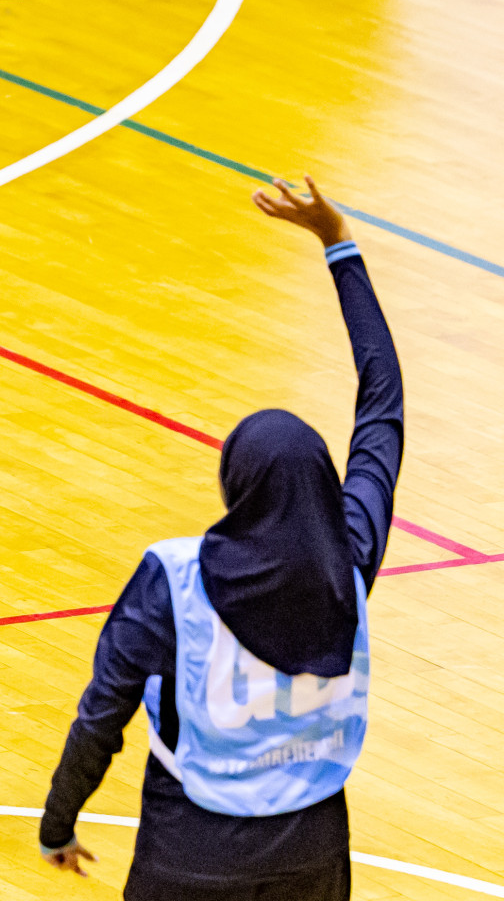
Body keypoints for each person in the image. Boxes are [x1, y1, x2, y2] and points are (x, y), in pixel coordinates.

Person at [38, 177, 404, 899]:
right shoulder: (352, 557)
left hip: (191, 854)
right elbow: (382, 404)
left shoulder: (174, 580)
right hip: (315, 854)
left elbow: (101, 714)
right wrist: (341, 245)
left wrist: (59, 822)